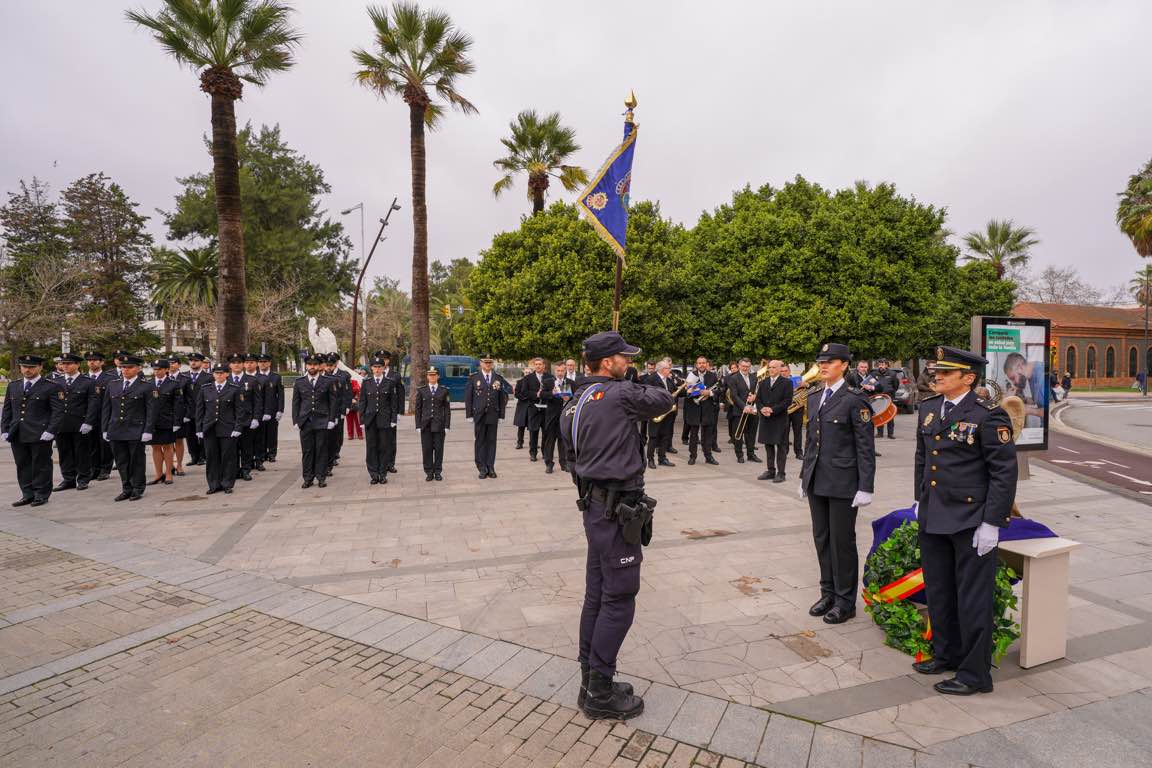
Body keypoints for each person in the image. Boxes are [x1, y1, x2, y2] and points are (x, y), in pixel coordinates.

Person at [560, 330, 672, 720]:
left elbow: (571, 461)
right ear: (608, 363)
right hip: (615, 511)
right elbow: (663, 399)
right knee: (619, 598)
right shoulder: (619, 393)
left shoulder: (574, 402)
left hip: (594, 507)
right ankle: (600, 692)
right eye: (624, 358)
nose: (629, 362)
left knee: (597, 595)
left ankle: (590, 678)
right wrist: (633, 381)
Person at [913, 346, 1017, 696]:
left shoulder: (989, 415)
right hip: (934, 515)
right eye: (936, 371)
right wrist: (919, 499)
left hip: (971, 520)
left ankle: (974, 674)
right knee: (939, 591)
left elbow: (1004, 473)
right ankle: (946, 654)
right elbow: (923, 458)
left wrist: (993, 523)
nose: (936, 376)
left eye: (946, 372)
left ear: (968, 378)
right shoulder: (929, 409)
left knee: (972, 599)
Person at [800, 343, 876, 624]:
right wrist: (803, 477)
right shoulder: (815, 394)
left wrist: (866, 485)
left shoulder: (855, 399)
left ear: (844, 365)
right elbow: (812, 442)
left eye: (829, 362)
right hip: (817, 480)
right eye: (821, 361)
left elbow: (865, 447)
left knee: (841, 541)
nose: (823, 366)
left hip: (844, 482)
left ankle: (846, 600)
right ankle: (828, 592)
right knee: (821, 538)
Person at [2, 354, 64, 507]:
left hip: (40, 433)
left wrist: (51, 431)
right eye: (24, 367)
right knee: (22, 464)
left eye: (31, 367)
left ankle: (41, 494)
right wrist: (5, 429)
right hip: (18, 432)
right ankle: (27, 494)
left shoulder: (51, 386)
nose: (27, 370)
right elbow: (7, 410)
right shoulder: (14, 385)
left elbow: (58, 412)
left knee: (41, 464)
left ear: (40, 367)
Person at [102, 355, 157, 502]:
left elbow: (151, 410)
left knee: (136, 461)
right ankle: (126, 488)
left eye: (129, 367)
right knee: (121, 461)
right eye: (123, 367)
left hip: (136, 429)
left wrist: (148, 430)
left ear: (138, 368)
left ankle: (137, 488)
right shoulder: (113, 384)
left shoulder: (146, 386)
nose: (125, 370)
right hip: (116, 429)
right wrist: (105, 429)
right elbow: (106, 408)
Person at [52, 352, 100, 492]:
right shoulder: (56, 382)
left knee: (82, 452)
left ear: (78, 364)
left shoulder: (88, 382)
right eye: (63, 363)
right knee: (64, 452)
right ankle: (68, 479)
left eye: (69, 363)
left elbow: (93, 404)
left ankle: (83, 478)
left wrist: (89, 422)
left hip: (80, 423)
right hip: (61, 423)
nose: (65, 366)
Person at [196, 363, 244, 495]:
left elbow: (239, 410)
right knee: (211, 457)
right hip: (209, 428)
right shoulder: (205, 388)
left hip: (227, 428)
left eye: (222, 373)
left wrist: (238, 427)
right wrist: (199, 428)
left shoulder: (234, 389)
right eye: (216, 373)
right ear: (213, 374)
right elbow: (200, 410)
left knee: (228, 457)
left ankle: (227, 483)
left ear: (227, 374)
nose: (219, 375)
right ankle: (213, 484)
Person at [292, 353, 338, 488]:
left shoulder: (328, 381)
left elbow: (333, 402)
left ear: (319, 366)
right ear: (306, 366)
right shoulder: (299, 382)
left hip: (322, 420)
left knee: (321, 450)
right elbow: (296, 403)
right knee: (307, 451)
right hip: (305, 421)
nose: (312, 367)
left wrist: (331, 419)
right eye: (310, 364)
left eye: (315, 364)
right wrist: (296, 420)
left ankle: (321, 476)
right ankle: (308, 477)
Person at [464, 355, 509, 479]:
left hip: (493, 414)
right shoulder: (474, 378)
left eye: (490, 362)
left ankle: (490, 467)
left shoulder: (498, 378)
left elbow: (502, 398)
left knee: (491, 441)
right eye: (486, 362)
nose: (488, 364)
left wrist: (501, 415)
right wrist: (469, 414)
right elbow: (468, 398)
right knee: (480, 442)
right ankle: (482, 467)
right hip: (479, 414)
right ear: (481, 363)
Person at [360, 355, 399, 485]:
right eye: (375, 367)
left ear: (383, 368)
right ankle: (373, 474)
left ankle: (382, 474)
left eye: (379, 367)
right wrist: (361, 420)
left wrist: (393, 419)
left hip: (384, 420)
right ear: (371, 368)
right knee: (371, 447)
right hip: (370, 420)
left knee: (384, 447)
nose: (377, 370)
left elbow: (394, 403)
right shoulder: (366, 383)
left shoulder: (389, 382)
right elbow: (362, 403)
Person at [147, 358, 184, 486]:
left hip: (167, 420)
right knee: (155, 447)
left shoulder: (174, 384)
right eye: (155, 369)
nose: (156, 372)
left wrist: (177, 422)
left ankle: (168, 473)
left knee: (167, 447)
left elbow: (178, 405)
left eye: (159, 369)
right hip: (152, 421)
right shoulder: (148, 383)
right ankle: (158, 474)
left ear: (167, 370)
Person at [756, 360, 793, 482]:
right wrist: (762, 409)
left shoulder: (787, 383)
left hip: (779, 419)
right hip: (766, 419)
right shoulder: (763, 382)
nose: (771, 369)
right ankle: (771, 471)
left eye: (773, 367)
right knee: (768, 446)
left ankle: (781, 473)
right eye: (769, 367)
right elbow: (758, 399)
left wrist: (772, 409)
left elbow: (787, 401)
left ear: (779, 368)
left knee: (781, 447)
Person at [84, 351, 117, 481]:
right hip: (88, 417)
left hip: (104, 416)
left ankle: (105, 469)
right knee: (91, 444)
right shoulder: (83, 378)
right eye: (89, 360)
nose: (92, 362)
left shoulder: (109, 378)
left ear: (102, 362)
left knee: (105, 444)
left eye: (95, 360)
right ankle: (94, 469)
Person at [414, 367, 451, 481]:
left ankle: (438, 471)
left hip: (439, 425)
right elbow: (418, 409)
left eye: (434, 375)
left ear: (438, 376)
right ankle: (429, 472)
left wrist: (447, 425)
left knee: (439, 450)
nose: (432, 377)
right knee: (427, 449)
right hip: (425, 425)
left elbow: (447, 410)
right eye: (430, 375)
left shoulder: (444, 390)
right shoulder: (421, 390)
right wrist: (418, 425)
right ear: (427, 377)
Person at [681, 356, 719, 466]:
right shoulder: (690, 375)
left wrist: (710, 393)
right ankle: (692, 456)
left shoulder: (712, 376)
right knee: (693, 435)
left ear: (707, 364)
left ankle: (708, 456)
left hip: (707, 410)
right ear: (696, 364)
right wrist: (689, 391)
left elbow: (719, 390)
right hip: (694, 409)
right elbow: (684, 392)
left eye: (703, 363)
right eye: (699, 363)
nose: (701, 365)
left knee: (707, 435)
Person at [725, 358, 760, 464]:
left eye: (747, 366)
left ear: (750, 367)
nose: (745, 368)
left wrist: (755, 397)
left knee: (751, 434)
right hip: (739, 411)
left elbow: (758, 392)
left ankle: (751, 454)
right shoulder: (733, 378)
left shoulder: (754, 377)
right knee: (738, 434)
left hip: (752, 410)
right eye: (743, 366)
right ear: (739, 366)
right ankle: (739, 455)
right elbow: (734, 395)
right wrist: (744, 406)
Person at [517, 358, 552, 461]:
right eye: (536, 364)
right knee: (533, 432)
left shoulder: (550, 377)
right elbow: (524, 392)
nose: (538, 366)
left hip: (546, 409)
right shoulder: (528, 378)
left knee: (546, 432)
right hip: (533, 409)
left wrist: (544, 395)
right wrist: (535, 395)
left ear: (544, 365)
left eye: (540, 364)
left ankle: (545, 453)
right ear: (534, 366)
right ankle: (533, 453)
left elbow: (553, 391)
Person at [541, 361, 570, 474]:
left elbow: (574, 397)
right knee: (550, 441)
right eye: (558, 370)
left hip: (564, 416)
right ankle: (549, 464)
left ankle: (564, 463)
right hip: (551, 416)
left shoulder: (569, 382)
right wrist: (551, 394)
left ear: (565, 371)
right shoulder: (548, 382)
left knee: (563, 441)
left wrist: (568, 398)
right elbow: (542, 395)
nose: (560, 373)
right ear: (555, 371)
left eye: (562, 370)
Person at [183, 353, 211, 466]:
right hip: (188, 412)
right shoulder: (184, 376)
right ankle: (193, 456)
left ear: (201, 362)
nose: (193, 363)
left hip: (203, 411)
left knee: (203, 435)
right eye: (191, 360)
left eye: (196, 360)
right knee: (190, 436)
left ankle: (202, 456)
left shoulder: (208, 377)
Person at [257, 354, 284, 462]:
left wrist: (280, 410)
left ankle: (272, 453)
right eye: (260, 362)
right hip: (259, 410)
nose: (262, 364)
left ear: (269, 363)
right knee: (261, 433)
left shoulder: (276, 377)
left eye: (265, 362)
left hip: (272, 409)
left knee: (272, 433)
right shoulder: (255, 376)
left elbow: (280, 395)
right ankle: (262, 453)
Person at [873, 359, 899, 440]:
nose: (881, 366)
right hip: (878, 397)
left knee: (890, 415)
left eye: (883, 364)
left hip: (889, 397)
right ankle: (880, 433)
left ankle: (890, 434)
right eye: (880, 364)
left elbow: (896, 385)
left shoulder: (892, 374)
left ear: (887, 365)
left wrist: (891, 391)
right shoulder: (874, 374)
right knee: (879, 414)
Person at [512, 365, 533, 450]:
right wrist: (525, 397)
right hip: (522, 406)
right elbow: (516, 394)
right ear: (523, 373)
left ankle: (533, 443)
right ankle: (519, 442)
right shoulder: (519, 382)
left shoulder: (534, 381)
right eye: (526, 372)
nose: (527, 374)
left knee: (532, 426)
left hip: (531, 406)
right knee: (521, 426)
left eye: (529, 372)